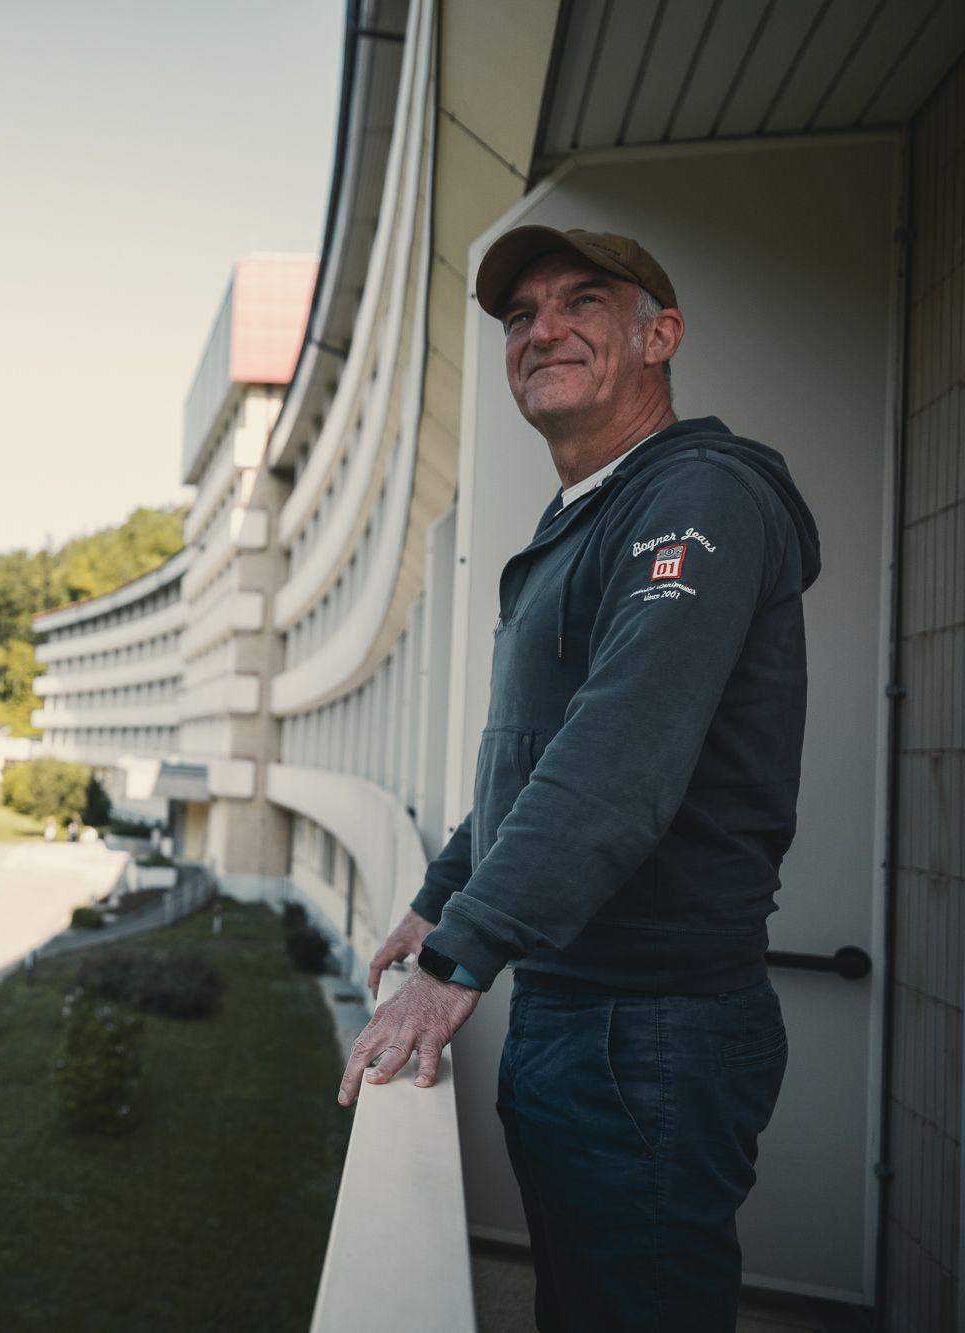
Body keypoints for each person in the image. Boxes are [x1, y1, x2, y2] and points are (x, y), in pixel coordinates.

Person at [335, 226, 821, 1330]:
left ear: (659, 335)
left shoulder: (692, 496)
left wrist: (456, 957)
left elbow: (619, 749)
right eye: (518, 316)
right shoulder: (589, 514)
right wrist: (440, 896)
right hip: (580, 1010)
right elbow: (538, 756)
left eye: (581, 302)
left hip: (645, 1025)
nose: (540, 330)